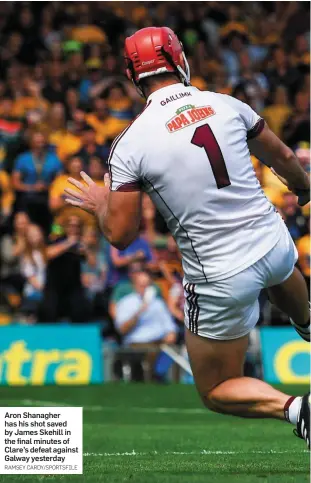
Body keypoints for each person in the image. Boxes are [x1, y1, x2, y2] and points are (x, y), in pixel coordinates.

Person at [65, 27, 310, 448]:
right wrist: (303, 188)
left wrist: (101, 203)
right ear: (179, 60)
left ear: (132, 75)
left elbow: (121, 236)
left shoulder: (131, 143)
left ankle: (298, 410)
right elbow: (284, 157)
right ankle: (306, 321)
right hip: (272, 241)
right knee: (279, 267)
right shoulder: (225, 103)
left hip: (219, 274)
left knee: (217, 389)